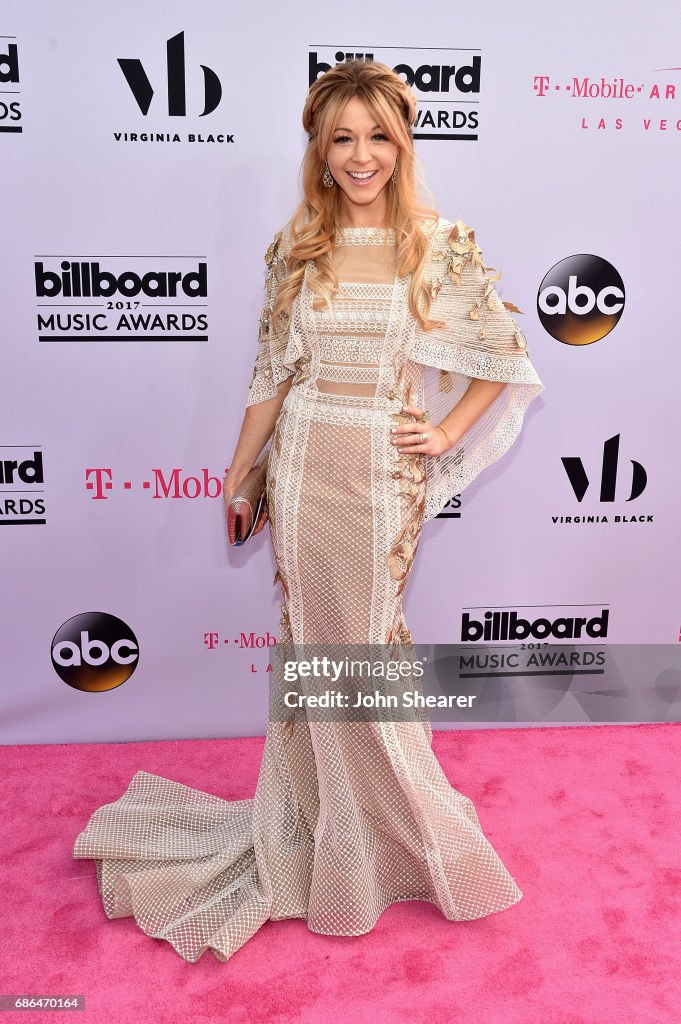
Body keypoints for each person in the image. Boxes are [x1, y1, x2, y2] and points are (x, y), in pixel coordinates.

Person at [72, 60, 544, 964]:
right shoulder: (299, 246)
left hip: (379, 475)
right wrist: (241, 474)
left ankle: (385, 826)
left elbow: (503, 357)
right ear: (319, 151)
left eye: (377, 136)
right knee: (310, 646)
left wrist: (444, 433)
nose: (360, 156)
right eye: (341, 139)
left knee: (360, 645)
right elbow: (271, 375)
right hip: (301, 470)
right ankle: (324, 825)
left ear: (399, 144)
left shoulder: (436, 244)